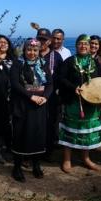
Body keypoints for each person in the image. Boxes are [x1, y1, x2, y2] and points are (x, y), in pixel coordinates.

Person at [58, 34, 101, 173]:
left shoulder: (95, 63)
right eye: (80, 43)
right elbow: (61, 78)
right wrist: (73, 88)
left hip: (91, 104)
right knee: (71, 128)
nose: (83, 46)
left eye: (86, 44)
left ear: (90, 47)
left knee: (87, 131)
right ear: (76, 46)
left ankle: (86, 158)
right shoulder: (69, 61)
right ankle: (66, 159)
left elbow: (100, 82)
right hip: (73, 102)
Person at [10, 38, 53, 182]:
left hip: (40, 105)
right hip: (23, 104)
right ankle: (17, 167)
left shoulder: (43, 63)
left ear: (39, 50)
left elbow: (50, 84)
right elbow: (15, 84)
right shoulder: (18, 64)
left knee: (38, 134)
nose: (32, 52)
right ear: (24, 50)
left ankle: (36, 164)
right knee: (21, 134)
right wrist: (31, 96)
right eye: (29, 49)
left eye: (35, 50)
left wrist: (45, 97)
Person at [36, 28, 63, 159]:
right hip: (33, 96)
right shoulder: (31, 53)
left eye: (44, 39)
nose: (42, 42)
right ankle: (33, 150)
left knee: (50, 123)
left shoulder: (56, 57)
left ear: (49, 41)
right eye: (39, 39)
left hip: (51, 97)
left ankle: (48, 151)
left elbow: (60, 77)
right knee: (35, 124)